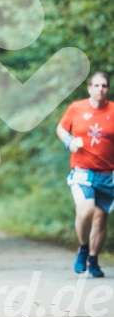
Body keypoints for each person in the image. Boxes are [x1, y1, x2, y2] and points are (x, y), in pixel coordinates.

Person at [56, 72, 114, 278]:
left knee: (100, 219)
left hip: (107, 174)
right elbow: (61, 128)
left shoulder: (113, 110)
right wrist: (69, 142)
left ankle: (94, 259)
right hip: (82, 171)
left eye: (104, 86)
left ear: (108, 89)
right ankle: (82, 247)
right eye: (96, 85)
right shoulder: (76, 108)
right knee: (86, 211)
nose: (100, 89)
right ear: (89, 88)